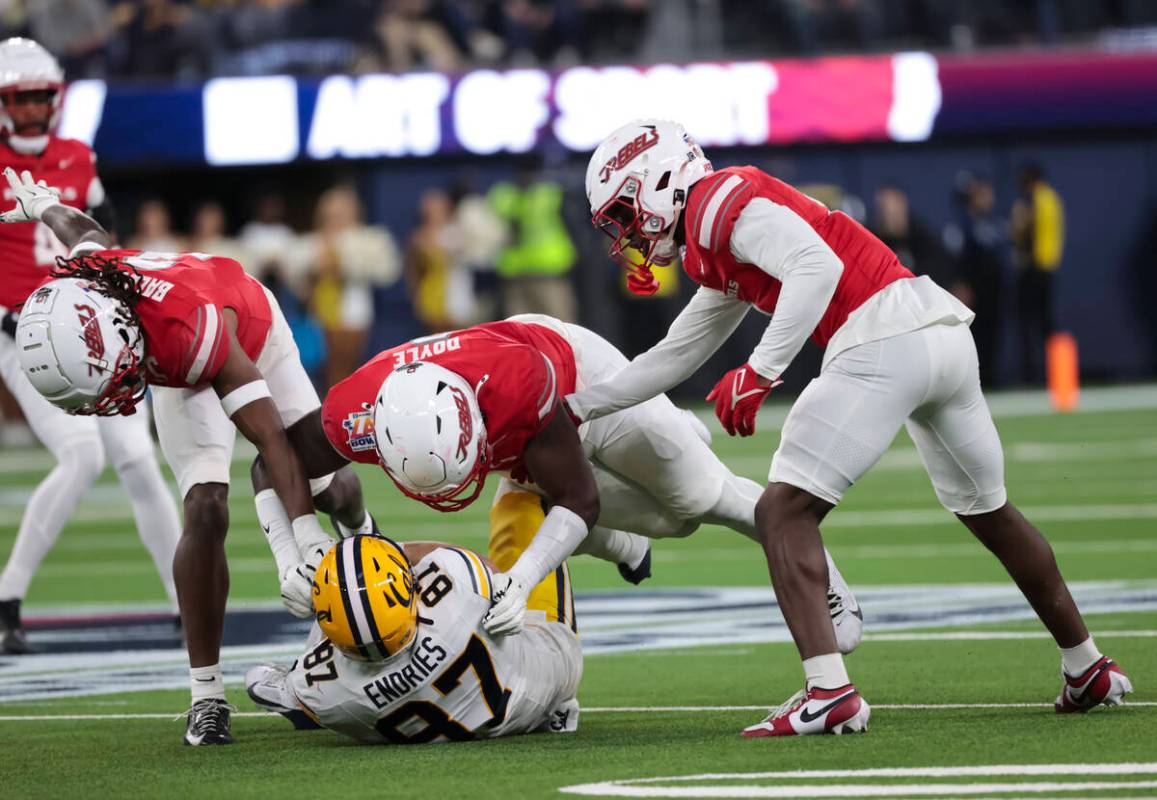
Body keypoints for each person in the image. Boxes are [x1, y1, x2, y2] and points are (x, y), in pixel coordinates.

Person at [567, 119, 1132, 736]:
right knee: (990, 510)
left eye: (625, 212)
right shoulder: (718, 236)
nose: (625, 233)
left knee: (780, 512)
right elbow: (673, 355)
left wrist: (760, 372)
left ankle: (829, 692)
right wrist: (576, 408)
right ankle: (1088, 666)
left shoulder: (715, 204)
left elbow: (817, 266)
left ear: (660, 183)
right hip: (936, 333)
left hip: (881, 338)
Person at [1, 168, 373, 747]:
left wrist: (302, 546)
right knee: (204, 509)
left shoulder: (187, 328)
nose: (105, 398)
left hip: (245, 327)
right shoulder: (91, 277)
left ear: (118, 336)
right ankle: (206, 695)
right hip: (172, 359)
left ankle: (367, 539)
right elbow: (84, 230)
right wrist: (45, 203)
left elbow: (268, 441)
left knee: (331, 486)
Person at [309, 315, 862, 649]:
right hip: (521, 435)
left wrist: (521, 581)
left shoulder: (514, 384)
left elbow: (581, 499)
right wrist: (297, 549)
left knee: (700, 497)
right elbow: (278, 459)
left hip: (577, 381)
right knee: (673, 524)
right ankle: (639, 516)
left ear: (470, 420)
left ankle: (829, 585)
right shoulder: (347, 419)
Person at [0, 37, 180, 655]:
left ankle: (187, 598)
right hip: (22, 334)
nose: (31, 110)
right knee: (81, 457)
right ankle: (7, 598)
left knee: (139, 460)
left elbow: (103, 236)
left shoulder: (79, 156)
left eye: (39, 98)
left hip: (89, 330)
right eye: (19, 99)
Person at [245, 515, 583, 744]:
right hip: (549, 678)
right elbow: (476, 567)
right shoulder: (454, 589)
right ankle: (628, 550)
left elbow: (259, 682)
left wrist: (324, 592)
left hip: (447, 723)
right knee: (527, 497)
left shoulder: (319, 691)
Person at [1011, 163, 1064, 385]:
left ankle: (1031, 377)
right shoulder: (1052, 198)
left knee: (1028, 325)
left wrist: (1017, 225)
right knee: (1047, 324)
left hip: (1033, 268)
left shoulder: (1033, 199)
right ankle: (1057, 376)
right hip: (1049, 267)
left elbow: (1022, 231)